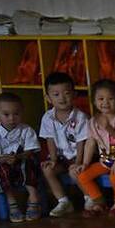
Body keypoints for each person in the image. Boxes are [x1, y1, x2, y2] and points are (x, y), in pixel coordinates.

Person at [78, 79, 115, 215]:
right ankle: (99, 202)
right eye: (101, 99)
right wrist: (85, 163)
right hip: (106, 161)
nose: (105, 103)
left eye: (110, 99)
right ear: (94, 101)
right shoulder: (92, 122)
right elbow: (90, 143)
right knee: (83, 176)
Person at [40, 72, 89, 217]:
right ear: (48, 98)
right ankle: (63, 201)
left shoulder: (80, 117)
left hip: (78, 156)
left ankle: (89, 198)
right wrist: (53, 160)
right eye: (56, 94)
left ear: (74, 95)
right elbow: (50, 139)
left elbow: (82, 142)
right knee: (48, 169)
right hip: (61, 157)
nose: (62, 98)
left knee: (75, 172)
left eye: (66, 93)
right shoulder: (47, 117)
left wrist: (78, 162)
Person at [0, 93, 41, 222]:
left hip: (22, 161)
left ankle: (33, 198)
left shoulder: (26, 130)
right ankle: (12, 204)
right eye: (6, 114)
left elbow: (30, 151)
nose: (12, 118)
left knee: (29, 164)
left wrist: (18, 157)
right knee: (2, 170)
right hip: (3, 164)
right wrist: (5, 159)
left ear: (22, 112)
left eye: (16, 114)